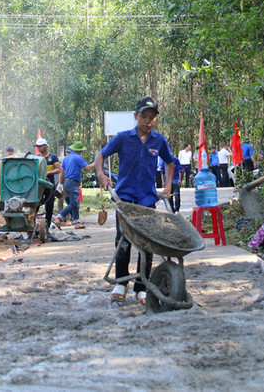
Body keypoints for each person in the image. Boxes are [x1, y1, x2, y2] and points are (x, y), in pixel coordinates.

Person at [95, 96, 174, 305]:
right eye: (144, 116)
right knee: (123, 241)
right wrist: (101, 175)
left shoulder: (159, 140)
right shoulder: (122, 138)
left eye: (152, 118)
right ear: (135, 116)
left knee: (146, 244)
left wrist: (167, 186)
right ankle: (121, 283)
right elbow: (100, 155)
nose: (148, 121)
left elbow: (169, 162)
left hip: (148, 200)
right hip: (125, 199)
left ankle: (142, 287)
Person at [53, 141, 94, 229]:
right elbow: (88, 168)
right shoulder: (78, 157)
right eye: (81, 150)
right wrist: (97, 162)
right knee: (73, 203)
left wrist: (60, 183)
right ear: (79, 150)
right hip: (73, 182)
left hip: (67, 182)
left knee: (75, 202)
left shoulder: (66, 158)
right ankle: (59, 217)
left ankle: (76, 222)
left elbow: (62, 171)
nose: (81, 152)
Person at [34, 137, 61, 232]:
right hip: (38, 185)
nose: (39, 148)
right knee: (35, 204)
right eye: (37, 146)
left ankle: (47, 227)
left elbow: (58, 169)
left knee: (49, 206)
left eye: (40, 146)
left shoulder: (53, 157)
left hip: (49, 184)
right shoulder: (36, 158)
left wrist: (48, 172)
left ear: (45, 146)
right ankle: (33, 227)